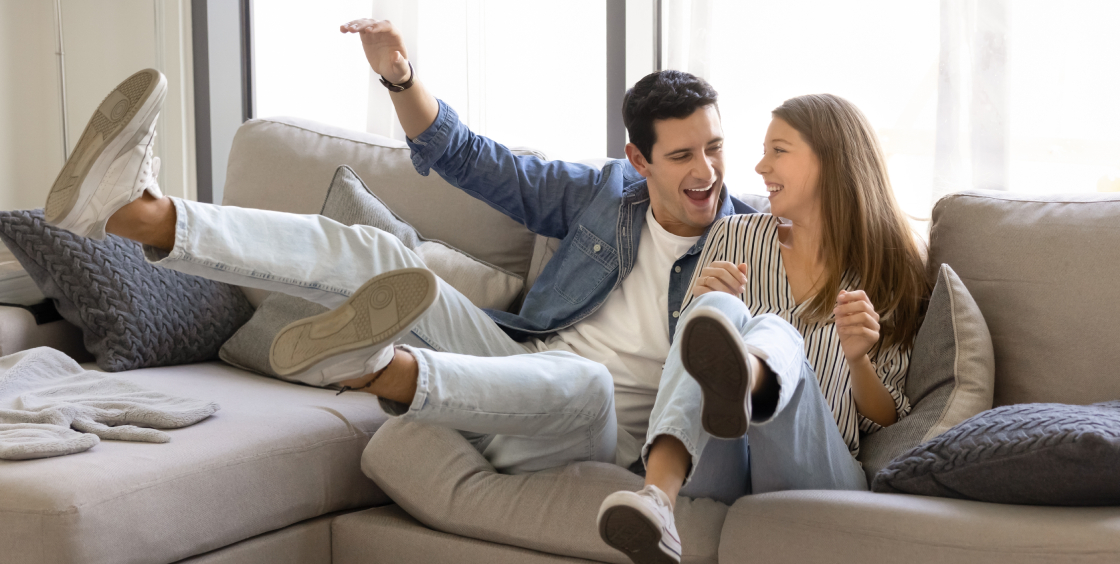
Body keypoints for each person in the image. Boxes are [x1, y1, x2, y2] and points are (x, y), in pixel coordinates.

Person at [40, 18, 753, 477]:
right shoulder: (605, 194)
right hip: (509, 366)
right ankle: (141, 215)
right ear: (638, 159)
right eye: (684, 154)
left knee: (589, 382)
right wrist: (399, 76)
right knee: (374, 255)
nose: (708, 172)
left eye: (716, 148)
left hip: (586, 431)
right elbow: (476, 160)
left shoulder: (748, 240)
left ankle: (378, 365)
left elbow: (787, 353)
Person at [595, 94, 931, 564]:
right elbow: (685, 369)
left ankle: (751, 375)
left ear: (830, 161)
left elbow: (889, 420)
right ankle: (656, 499)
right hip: (723, 461)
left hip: (817, 467)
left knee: (773, 328)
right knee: (714, 305)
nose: (758, 165)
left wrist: (858, 360)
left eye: (779, 150)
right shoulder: (735, 235)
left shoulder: (891, 269)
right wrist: (704, 305)